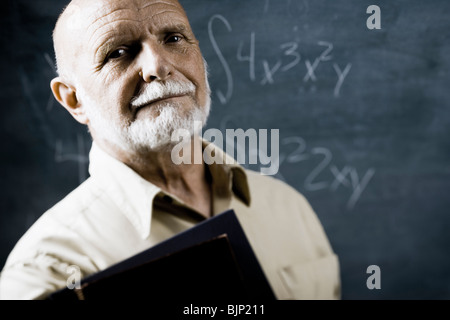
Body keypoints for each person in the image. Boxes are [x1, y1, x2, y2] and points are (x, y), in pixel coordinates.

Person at [0, 0, 340, 300]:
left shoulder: (288, 208)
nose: (158, 66)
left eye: (173, 39)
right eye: (118, 52)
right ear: (73, 99)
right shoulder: (48, 269)